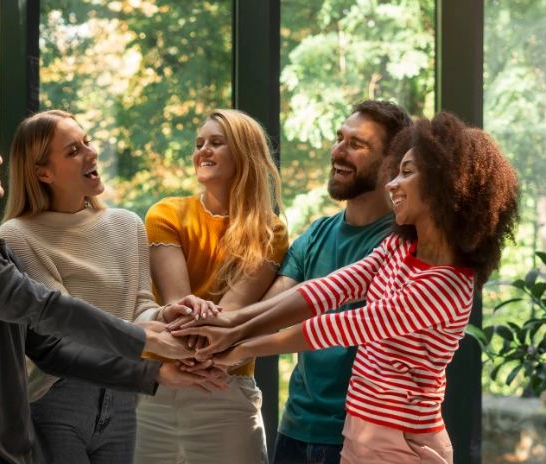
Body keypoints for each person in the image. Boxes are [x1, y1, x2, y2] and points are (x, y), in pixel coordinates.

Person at [174, 112, 520, 464]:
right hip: (360, 436)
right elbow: (330, 289)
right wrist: (232, 326)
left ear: (445, 183)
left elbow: (345, 325)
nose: (393, 183)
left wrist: (237, 348)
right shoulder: (400, 248)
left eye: (408, 172)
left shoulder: (445, 284)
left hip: (403, 448)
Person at [0, 110, 213, 464]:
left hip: (2, 450)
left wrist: (156, 372)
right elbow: (48, 308)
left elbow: (50, 349)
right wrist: (145, 339)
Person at [171, 100, 413, 464]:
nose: (338, 151)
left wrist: (236, 342)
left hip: (364, 436)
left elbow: (340, 324)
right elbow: (278, 304)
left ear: (392, 164)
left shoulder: (403, 244)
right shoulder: (317, 234)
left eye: (357, 144)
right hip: (297, 429)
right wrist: (220, 332)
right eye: (338, 138)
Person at [0, 110, 227, 464]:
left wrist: (167, 314)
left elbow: (138, 306)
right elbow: (65, 325)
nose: (92, 153)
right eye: (73, 151)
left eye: (87, 142)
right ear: (43, 172)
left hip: (122, 398)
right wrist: (147, 335)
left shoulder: (126, 225)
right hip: (56, 397)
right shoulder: (17, 235)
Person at [134, 109, 290, 464]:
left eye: (216, 143)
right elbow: (179, 308)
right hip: (158, 389)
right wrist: (202, 330)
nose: (202, 150)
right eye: (199, 143)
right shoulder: (166, 213)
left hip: (225, 387)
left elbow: (232, 316)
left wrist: (209, 336)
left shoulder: (270, 230)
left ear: (244, 155)